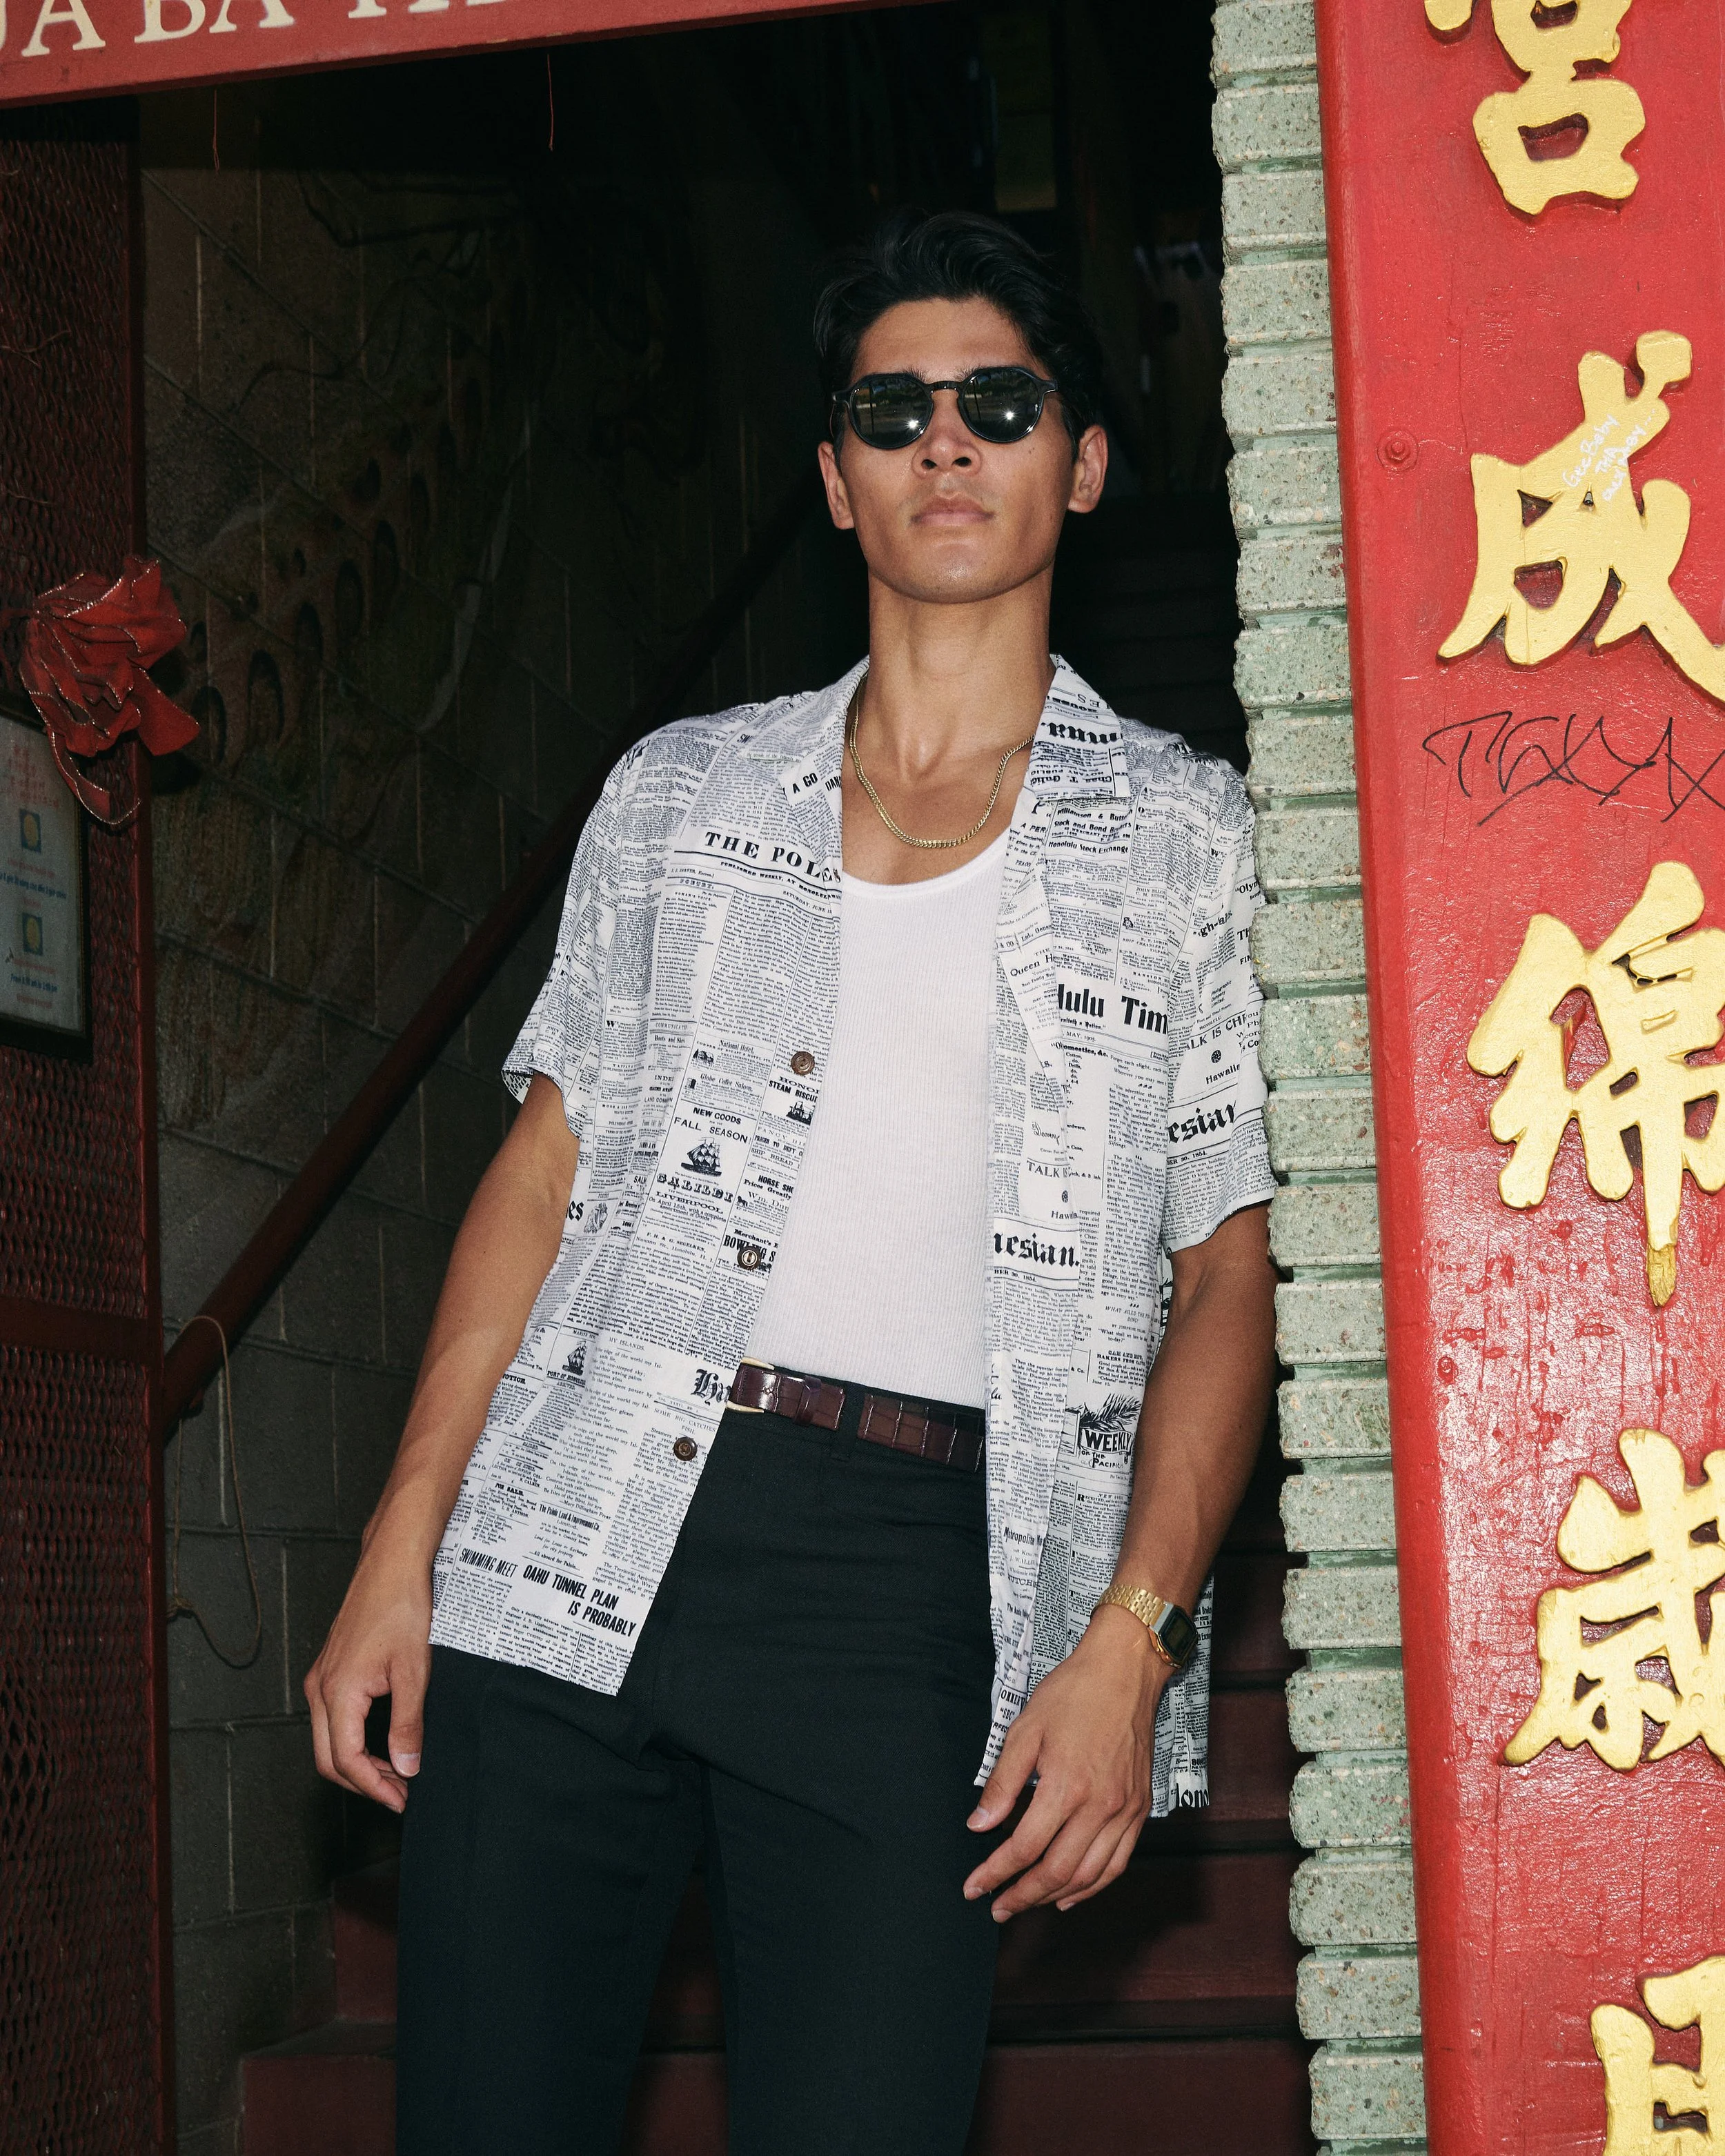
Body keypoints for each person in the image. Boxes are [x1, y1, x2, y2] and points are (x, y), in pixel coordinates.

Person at [306, 207, 1279, 2156]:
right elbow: (544, 1162)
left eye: (998, 403)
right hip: (572, 1525)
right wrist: (402, 1536)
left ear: (1079, 462)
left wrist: (1133, 1634)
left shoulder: (1192, 838)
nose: (944, 442)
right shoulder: (679, 789)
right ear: (831, 477)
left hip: (906, 1573)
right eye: (891, 407)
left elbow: (1225, 1270)